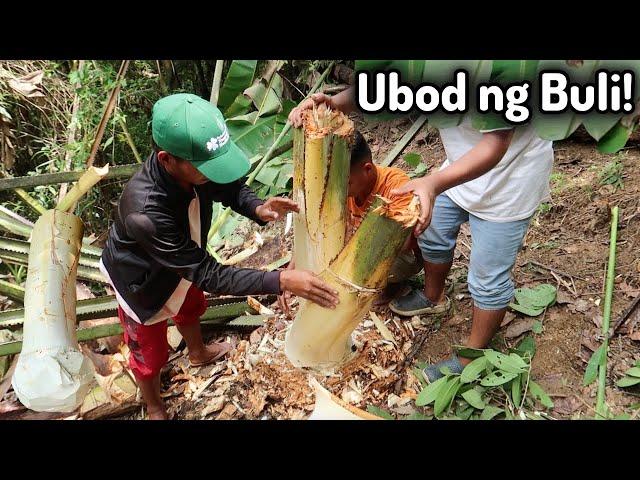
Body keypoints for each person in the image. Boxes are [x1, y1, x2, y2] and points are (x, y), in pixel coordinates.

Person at [289, 86, 553, 382]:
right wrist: (336, 102)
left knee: (487, 278)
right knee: (434, 234)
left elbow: (495, 143)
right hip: (459, 167)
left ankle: (470, 359)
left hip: (511, 180)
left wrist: (433, 184)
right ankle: (433, 296)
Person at [100, 93, 339, 419]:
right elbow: (208, 273)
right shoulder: (145, 212)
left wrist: (257, 206)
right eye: (204, 167)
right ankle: (153, 405)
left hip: (183, 260)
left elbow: (228, 186)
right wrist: (280, 279)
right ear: (166, 159)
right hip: (141, 281)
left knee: (191, 306)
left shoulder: (194, 170)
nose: (210, 173)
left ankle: (198, 352)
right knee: (150, 352)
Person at [278, 129, 423, 315]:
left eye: (346, 184)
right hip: (359, 251)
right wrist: (292, 270)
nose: (340, 191)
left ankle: (394, 286)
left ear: (367, 169)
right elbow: (314, 228)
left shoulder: (397, 186)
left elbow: (402, 245)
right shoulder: (342, 187)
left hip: (400, 257)